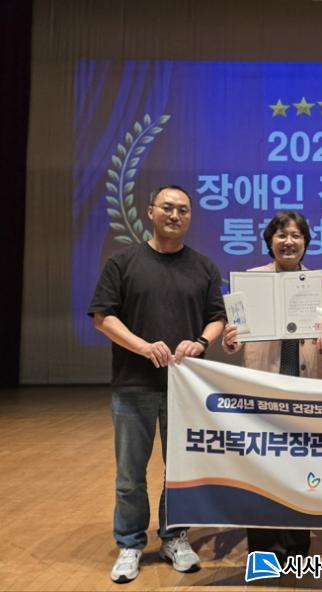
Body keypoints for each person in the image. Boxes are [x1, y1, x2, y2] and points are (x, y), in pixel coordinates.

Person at [88, 185, 226, 583]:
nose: (175, 215)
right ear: (150, 212)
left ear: (190, 217)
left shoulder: (203, 266)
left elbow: (216, 317)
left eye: (183, 210)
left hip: (186, 389)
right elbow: (103, 317)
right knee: (130, 474)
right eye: (167, 207)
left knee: (180, 470)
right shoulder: (123, 262)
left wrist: (200, 342)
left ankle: (173, 537)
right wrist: (144, 347)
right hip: (134, 385)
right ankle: (130, 543)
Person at [222, 210, 322, 562]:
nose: (289, 242)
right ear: (270, 241)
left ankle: (297, 544)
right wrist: (230, 340)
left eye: (296, 235)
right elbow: (236, 336)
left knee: (300, 468)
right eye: (281, 235)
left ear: (306, 242)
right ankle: (263, 548)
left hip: (306, 388)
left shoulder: (321, 284)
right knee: (262, 468)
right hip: (263, 388)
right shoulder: (250, 282)